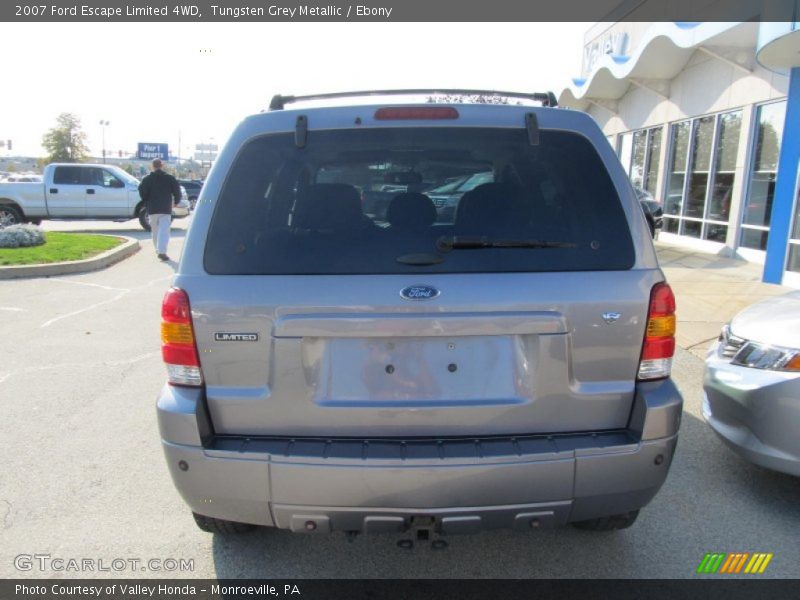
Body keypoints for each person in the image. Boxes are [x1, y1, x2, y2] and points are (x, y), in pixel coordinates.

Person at [138, 158, 181, 261]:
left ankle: (158, 250)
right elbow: (177, 191)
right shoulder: (169, 178)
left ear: (152, 166)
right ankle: (162, 251)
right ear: (162, 166)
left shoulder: (147, 179)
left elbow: (142, 191)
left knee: (155, 230)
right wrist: (176, 202)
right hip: (165, 208)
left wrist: (146, 200)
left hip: (152, 208)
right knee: (164, 230)